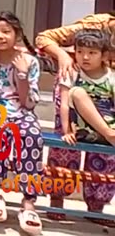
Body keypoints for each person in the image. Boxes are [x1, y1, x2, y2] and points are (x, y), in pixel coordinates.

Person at [36, 11, 115, 217]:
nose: (85, 55)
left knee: (105, 155)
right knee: (66, 142)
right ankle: (57, 196)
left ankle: (97, 205)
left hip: (107, 100)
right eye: (81, 52)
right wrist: (63, 55)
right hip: (75, 98)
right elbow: (44, 38)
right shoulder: (96, 25)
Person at [0, 11, 44, 233]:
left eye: (6, 31)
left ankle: (28, 202)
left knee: (32, 135)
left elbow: (28, 104)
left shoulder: (30, 61)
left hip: (21, 109)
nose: (0, 36)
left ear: (17, 34)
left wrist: (23, 76)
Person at [60, 30, 115, 146]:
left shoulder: (111, 76)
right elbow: (64, 105)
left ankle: (109, 134)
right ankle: (107, 134)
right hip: (85, 131)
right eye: (80, 52)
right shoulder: (72, 73)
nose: (85, 57)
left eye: (92, 53)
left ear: (104, 55)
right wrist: (67, 131)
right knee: (77, 92)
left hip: (111, 126)